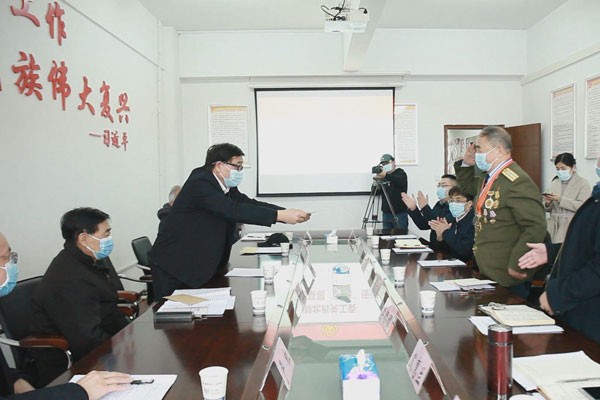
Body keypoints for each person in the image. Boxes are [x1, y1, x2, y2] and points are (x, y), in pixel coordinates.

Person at [150, 143, 311, 299]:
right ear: (219, 166)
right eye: (237, 166)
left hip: (199, 263)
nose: (240, 171)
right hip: (175, 265)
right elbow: (233, 210)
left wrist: (284, 212)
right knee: (174, 314)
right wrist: (279, 215)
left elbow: (248, 203)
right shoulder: (200, 183)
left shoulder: (224, 185)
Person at [0, 232, 132, 399]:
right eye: (4, 258)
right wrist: (80, 392)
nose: (10, 264)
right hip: (56, 362)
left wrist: (20, 383)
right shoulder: (66, 273)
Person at [30, 208, 130, 385]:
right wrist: (121, 352)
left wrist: (130, 335)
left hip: (102, 342)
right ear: (84, 239)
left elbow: (108, 307)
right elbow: (87, 338)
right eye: (105, 234)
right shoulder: (69, 277)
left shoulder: (87, 261)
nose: (109, 239)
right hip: (73, 365)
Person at [454, 126, 546, 298]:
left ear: (499, 150)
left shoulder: (516, 181)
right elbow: (467, 188)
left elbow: (535, 226)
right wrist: (466, 164)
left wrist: (517, 264)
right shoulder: (488, 177)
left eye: (479, 149)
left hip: (506, 271)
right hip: (487, 268)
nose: (476, 153)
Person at [518, 157, 600, 343]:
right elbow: (587, 245)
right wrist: (552, 252)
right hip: (581, 312)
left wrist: (558, 295)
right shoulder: (597, 195)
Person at [543, 152, 591, 243]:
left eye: (563, 168)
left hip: (572, 225)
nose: (560, 171)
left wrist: (560, 199)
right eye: (557, 169)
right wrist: (547, 203)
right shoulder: (554, 183)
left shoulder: (583, 184)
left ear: (573, 167)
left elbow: (583, 206)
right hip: (554, 225)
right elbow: (547, 209)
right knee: (552, 249)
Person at [401, 174, 457, 250]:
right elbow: (424, 225)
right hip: (435, 247)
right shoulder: (439, 204)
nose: (440, 188)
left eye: (444, 186)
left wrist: (425, 208)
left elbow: (438, 223)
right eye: (439, 185)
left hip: (447, 249)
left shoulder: (455, 207)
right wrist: (413, 209)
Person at [428, 186, 475, 261]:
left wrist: (445, 231)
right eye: (451, 201)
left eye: (458, 200)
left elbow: (464, 252)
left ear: (469, 203)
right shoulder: (451, 219)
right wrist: (440, 237)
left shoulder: (473, 222)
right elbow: (444, 251)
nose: (454, 204)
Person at [373, 154, 408, 230]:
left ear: (393, 162)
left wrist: (386, 175)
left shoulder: (401, 173)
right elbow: (375, 192)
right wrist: (376, 181)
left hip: (399, 213)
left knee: (400, 235)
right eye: (383, 164)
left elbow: (398, 180)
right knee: (386, 235)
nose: (385, 165)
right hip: (386, 213)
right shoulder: (383, 177)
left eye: (387, 163)